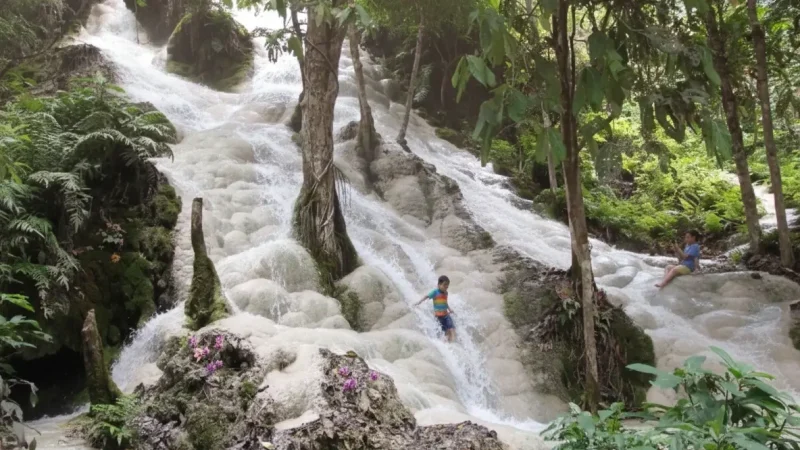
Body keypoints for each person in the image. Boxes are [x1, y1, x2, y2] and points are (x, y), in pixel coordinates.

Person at [415, 275, 456, 342]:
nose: (446, 287)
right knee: (444, 331)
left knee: (451, 328)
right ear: (438, 285)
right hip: (438, 317)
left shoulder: (446, 293)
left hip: (446, 314)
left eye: (447, 286)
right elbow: (426, 296)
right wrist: (418, 302)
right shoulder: (435, 292)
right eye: (444, 285)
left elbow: (445, 302)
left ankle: (453, 341)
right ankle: (446, 343)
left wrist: (449, 309)